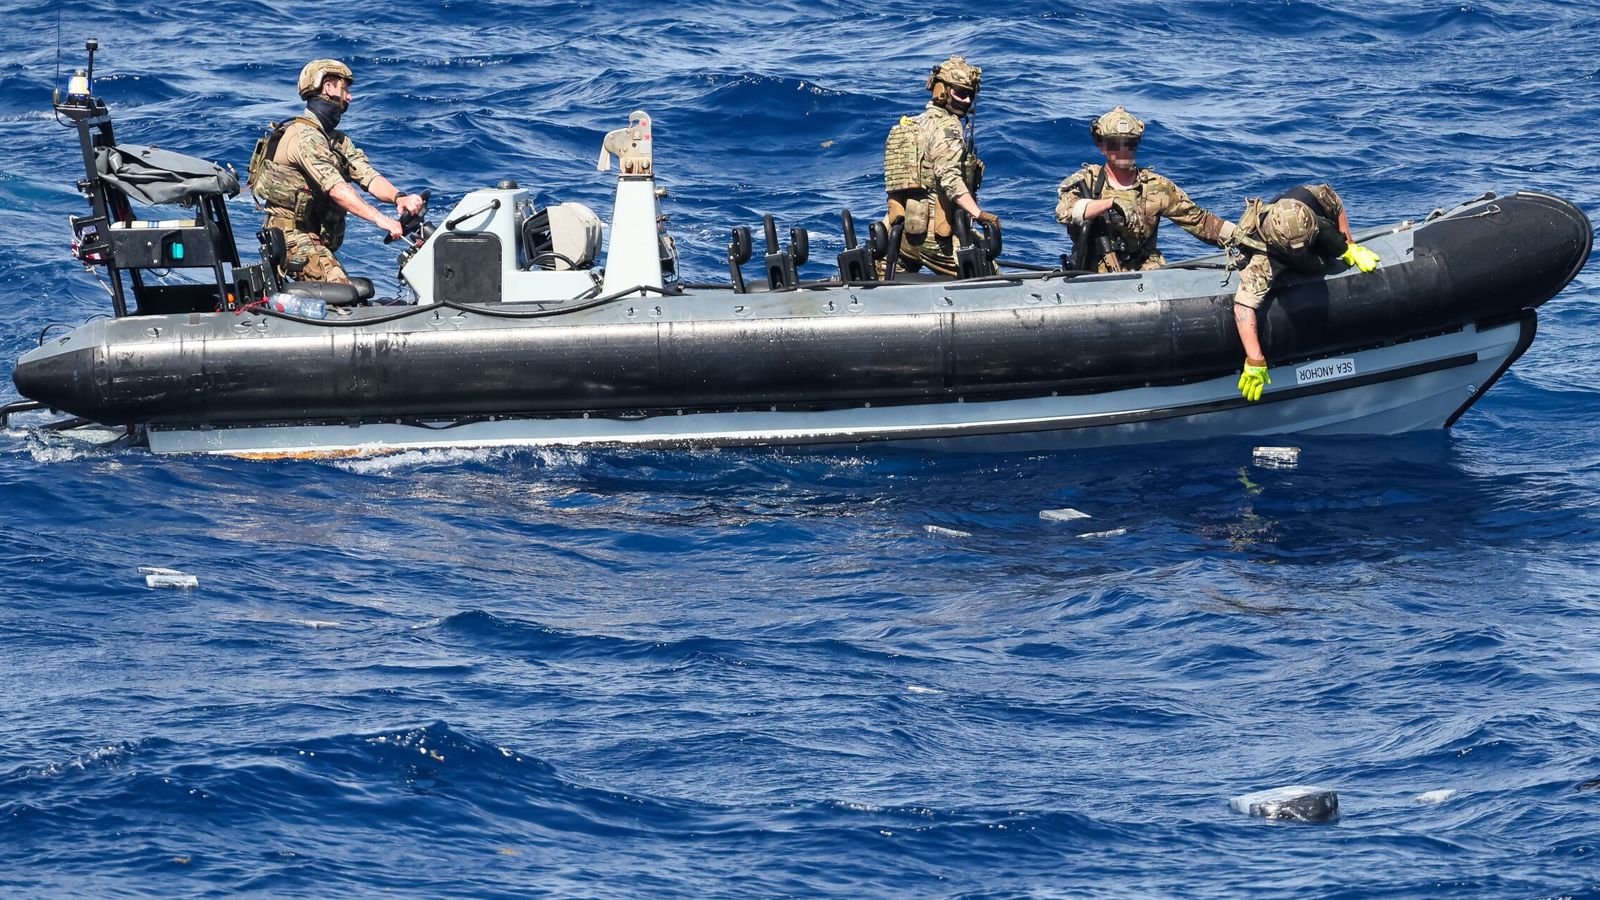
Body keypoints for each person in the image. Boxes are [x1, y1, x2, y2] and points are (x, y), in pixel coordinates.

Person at [246, 59, 425, 285]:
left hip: (313, 237)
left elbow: (367, 176)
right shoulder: (305, 137)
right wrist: (382, 220)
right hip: (292, 237)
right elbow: (337, 189)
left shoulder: (336, 140)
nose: (349, 97)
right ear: (328, 87)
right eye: (345, 89)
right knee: (342, 291)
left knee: (357, 293)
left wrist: (400, 198)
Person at [1229, 184, 1382, 401]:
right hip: (1277, 251)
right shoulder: (1264, 260)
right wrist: (1255, 359)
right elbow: (1243, 307)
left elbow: (1334, 200)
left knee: (1329, 247)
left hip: (1312, 232)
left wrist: (1349, 244)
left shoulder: (1312, 196)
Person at [1055, 106, 1234, 273]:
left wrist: (1243, 236)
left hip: (1146, 273)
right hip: (1092, 272)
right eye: (1115, 144)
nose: (1123, 150)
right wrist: (1109, 204)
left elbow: (1200, 221)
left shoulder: (1156, 187)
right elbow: (1065, 211)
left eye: (1129, 143)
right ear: (1102, 145)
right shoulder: (1087, 180)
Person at [881, 55, 998, 277]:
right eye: (961, 93)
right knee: (989, 274)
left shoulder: (913, 124)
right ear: (941, 91)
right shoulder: (949, 129)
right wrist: (979, 214)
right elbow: (948, 177)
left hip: (902, 233)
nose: (966, 100)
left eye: (970, 95)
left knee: (882, 280)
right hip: (936, 238)